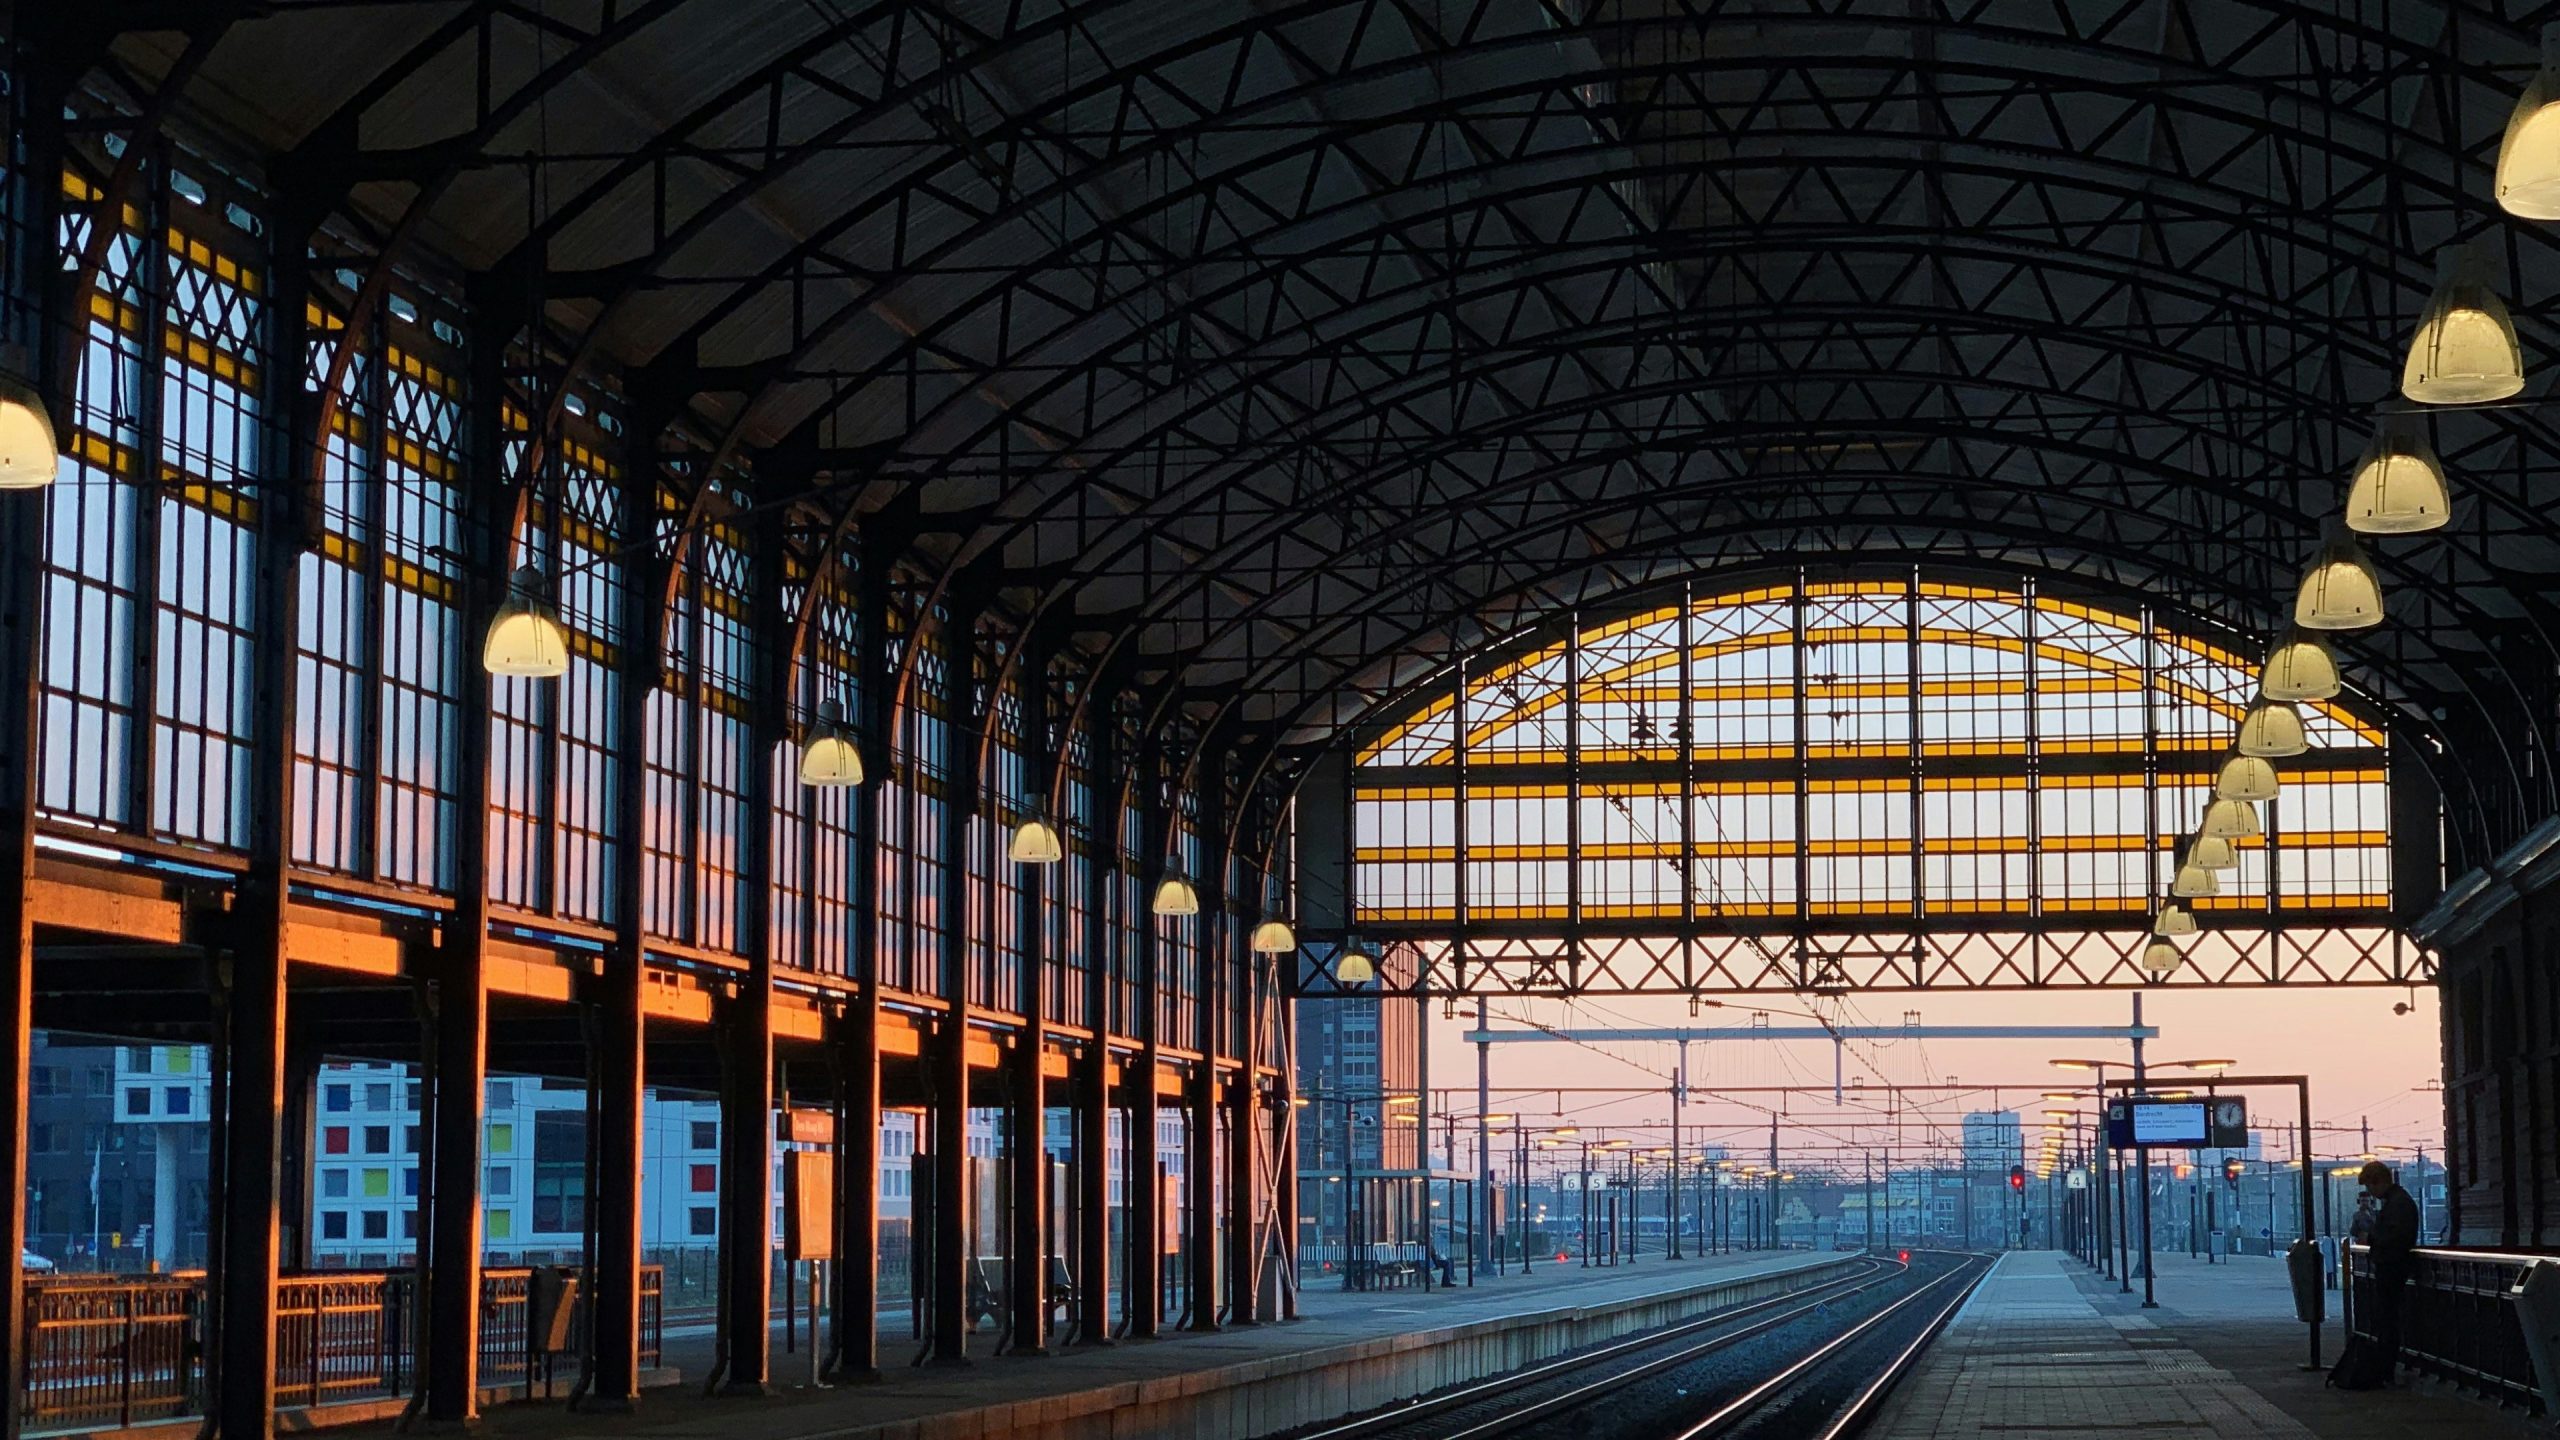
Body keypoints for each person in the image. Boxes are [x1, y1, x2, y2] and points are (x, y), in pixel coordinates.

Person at [2354, 1159, 2420, 1388]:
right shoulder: (2397, 1202)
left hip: (2392, 1268)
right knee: (2387, 1319)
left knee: (2388, 1320)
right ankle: (2384, 1368)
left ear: (2379, 1181)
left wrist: (2371, 1239)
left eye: (2371, 1187)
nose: (2370, 1193)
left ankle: (2386, 1369)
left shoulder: (2398, 1205)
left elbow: (2395, 1238)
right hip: (2391, 1266)